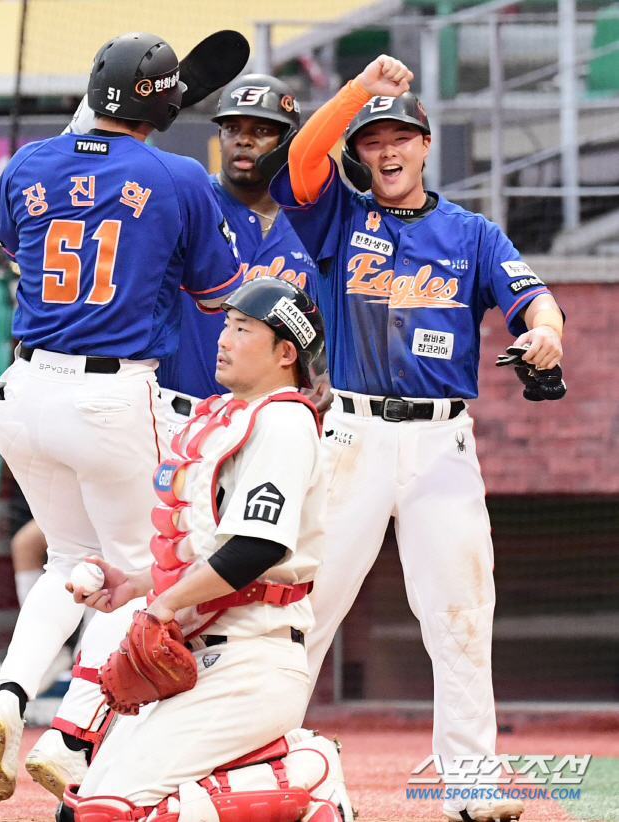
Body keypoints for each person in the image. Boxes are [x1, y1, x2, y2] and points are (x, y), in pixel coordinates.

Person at [269, 54, 565, 822]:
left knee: (462, 616)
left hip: (442, 445)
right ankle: (257, 769)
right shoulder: (339, 217)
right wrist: (361, 92)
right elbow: (301, 155)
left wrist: (547, 336)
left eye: (401, 135)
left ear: (426, 144)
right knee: (302, 610)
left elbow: (534, 301)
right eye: (373, 140)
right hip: (353, 436)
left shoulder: (470, 232)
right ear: (361, 154)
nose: (388, 149)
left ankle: (470, 789)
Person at [0, 31, 242, 803]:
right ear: (161, 106)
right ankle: (73, 731)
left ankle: (10, 696)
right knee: (147, 572)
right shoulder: (180, 174)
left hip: (24, 392)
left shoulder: (27, 163)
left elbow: (12, 243)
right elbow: (219, 293)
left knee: (70, 562)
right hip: (112, 396)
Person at [62, 278, 350, 822]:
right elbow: (206, 548)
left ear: (286, 353)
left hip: (252, 657)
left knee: (113, 813)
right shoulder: (234, 417)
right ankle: (271, 775)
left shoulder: (284, 419)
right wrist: (136, 584)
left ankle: (308, 776)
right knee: (78, 809)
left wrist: (163, 606)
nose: (224, 338)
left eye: (243, 329)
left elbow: (255, 548)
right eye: (225, 324)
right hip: (201, 655)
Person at [157, 73, 329, 433]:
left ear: (288, 141)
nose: (244, 141)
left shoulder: (315, 221)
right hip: (180, 416)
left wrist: (331, 373)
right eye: (232, 128)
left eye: (262, 131)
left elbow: (331, 320)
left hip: (276, 423)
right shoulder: (188, 202)